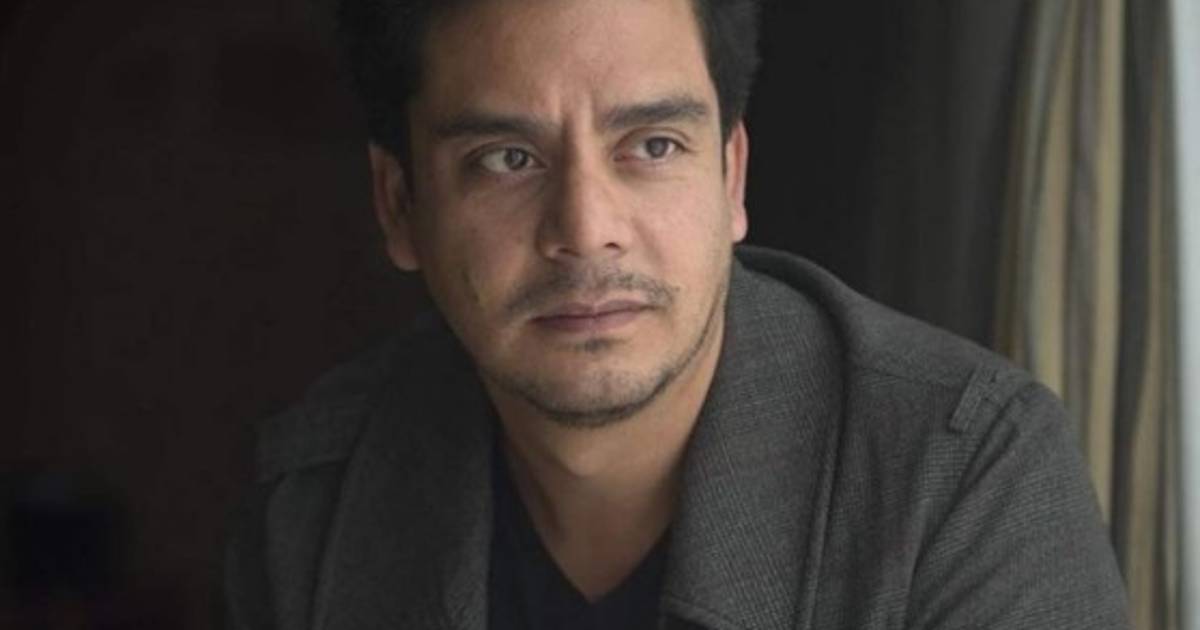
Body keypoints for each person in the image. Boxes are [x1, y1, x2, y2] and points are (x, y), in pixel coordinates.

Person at [224, 0, 1133, 628]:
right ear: (399, 206)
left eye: (653, 146)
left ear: (731, 177)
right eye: (507, 159)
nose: (586, 229)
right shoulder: (315, 500)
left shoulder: (960, 473)